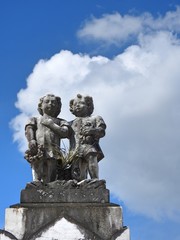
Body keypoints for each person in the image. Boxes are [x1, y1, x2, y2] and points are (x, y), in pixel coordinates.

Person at [25, 94, 70, 183]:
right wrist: (32, 140)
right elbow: (29, 129)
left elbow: (65, 133)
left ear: (58, 106)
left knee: (51, 166)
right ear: (41, 105)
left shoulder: (60, 121)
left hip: (53, 149)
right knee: (38, 164)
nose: (50, 104)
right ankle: (37, 181)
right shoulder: (35, 119)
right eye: (47, 102)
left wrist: (52, 125)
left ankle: (51, 183)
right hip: (39, 148)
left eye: (53, 102)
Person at [69, 94, 106, 181]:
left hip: (89, 145)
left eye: (81, 103)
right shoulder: (70, 123)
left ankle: (95, 179)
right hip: (75, 149)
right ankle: (80, 182)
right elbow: (62, 133)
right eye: (75, 104)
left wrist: (93, 131)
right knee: (77, 169)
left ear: (89, 106)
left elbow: (102, 131)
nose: (77, 105)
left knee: (91, 158)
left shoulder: (95, 118)